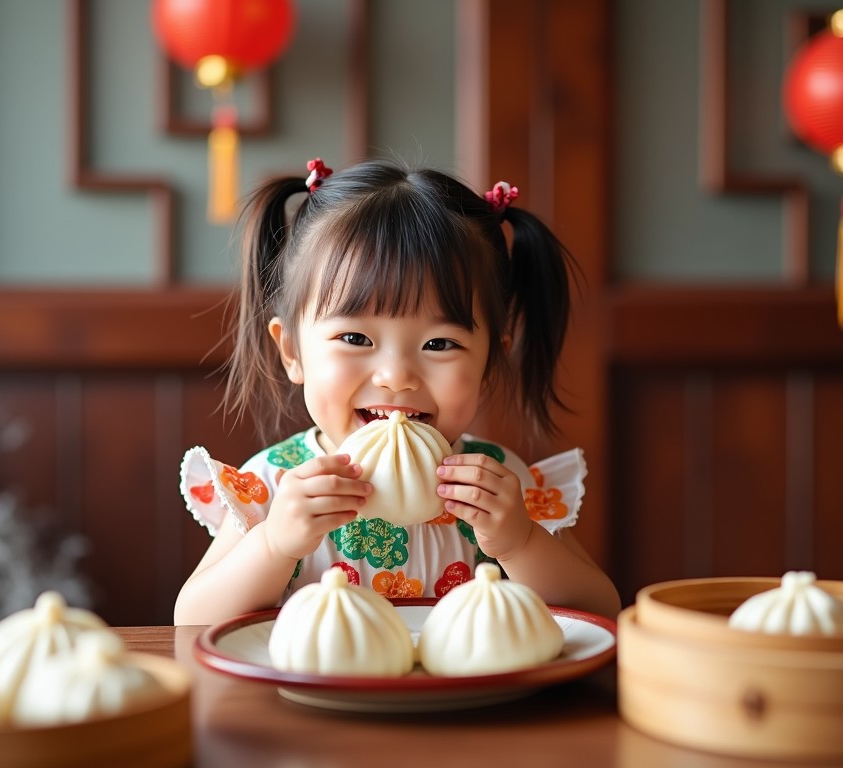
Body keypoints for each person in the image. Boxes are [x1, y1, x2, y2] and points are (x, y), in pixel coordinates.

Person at [173, 158, 620, 625]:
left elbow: (599, 610)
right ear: (293, 352)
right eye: (355, 339)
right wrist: (274, 544)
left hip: (467, 697)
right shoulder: (271, 485)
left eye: (439, 343)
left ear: (490, 361)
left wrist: (520, 542)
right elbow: (192, 620)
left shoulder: (503, 487)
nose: (396, 376)